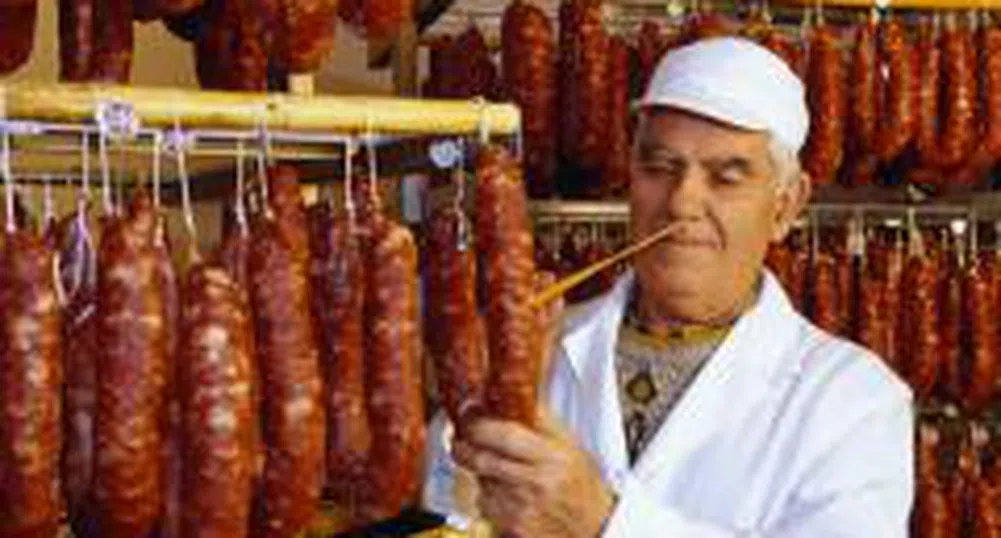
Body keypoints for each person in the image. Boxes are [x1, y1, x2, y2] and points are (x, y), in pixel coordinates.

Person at [423, 36, 914, 537]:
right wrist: (472, 419)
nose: (682, 202)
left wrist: (604, 522)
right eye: (659, 168)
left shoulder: (855, 401)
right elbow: (438, 504)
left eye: (725, 178)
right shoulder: (545, 343)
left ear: (786, 206)